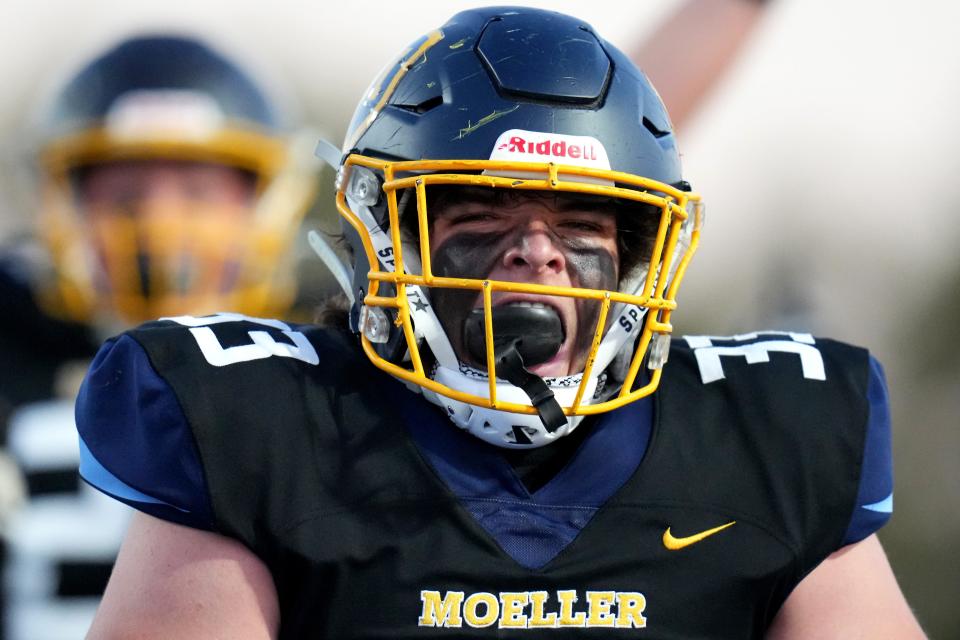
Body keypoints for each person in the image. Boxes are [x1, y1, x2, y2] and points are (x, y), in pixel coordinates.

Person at [75, 7, 925, 638]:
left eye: (582, 226)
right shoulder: (258, 424)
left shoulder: (772, 437)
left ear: (638, 250)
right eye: (482, 216)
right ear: (388, 236)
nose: (538, 253)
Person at [0, 33, 318, 640]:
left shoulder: (332, 358)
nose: (161, 223)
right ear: (61, 204)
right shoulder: (14, 339)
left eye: (198, 194)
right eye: (124, 195)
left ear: (270, 203)